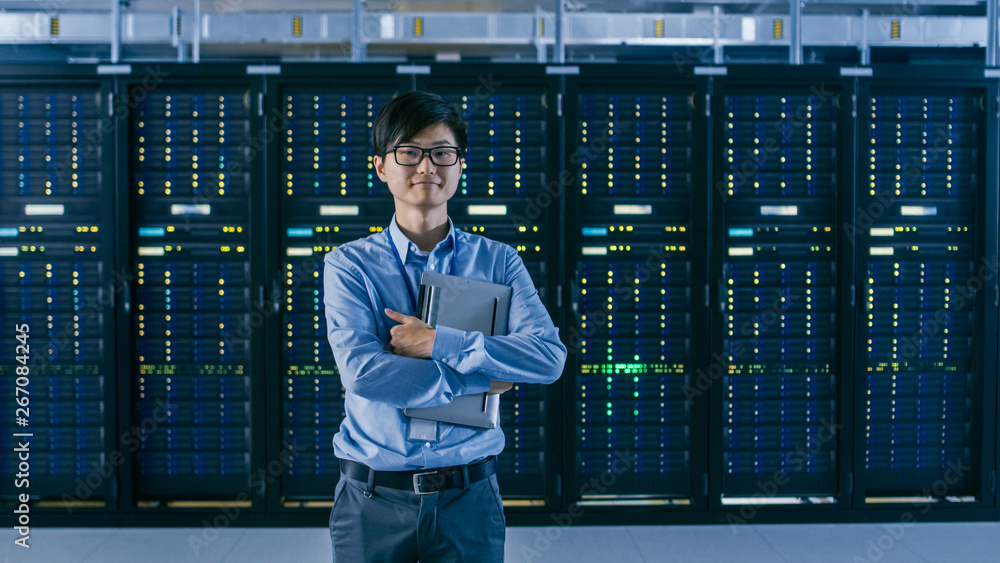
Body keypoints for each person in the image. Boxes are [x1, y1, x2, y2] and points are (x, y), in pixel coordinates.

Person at [323, 90, 567, 562]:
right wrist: (478, 376)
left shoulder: (499, 261)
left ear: (460, 165)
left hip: (469, 500)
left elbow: (547, 357)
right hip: (372, 502)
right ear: (381, 166)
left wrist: (439, 341)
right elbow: (365, 374)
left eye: (442, 153)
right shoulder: (349, 266)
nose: (426, 167)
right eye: (409, 152)